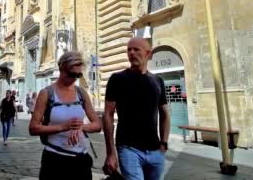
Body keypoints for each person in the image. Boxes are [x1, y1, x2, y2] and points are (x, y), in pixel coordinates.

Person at [103, 38, 170, 180]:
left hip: (155, 150)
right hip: (129, 149)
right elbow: (108, 114)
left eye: (136, 49)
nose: (131, 53)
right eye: (129, 49)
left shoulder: (157, 81)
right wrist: (110, 152)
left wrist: (164, 143)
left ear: (148, 54)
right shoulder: (117, 79)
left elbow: (164, 114)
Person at [29, 51, 101, 180]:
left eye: (78, 75)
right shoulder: (47, 93)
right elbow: (33, 128)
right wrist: (63, 127)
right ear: (61, 68)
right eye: (71, 74)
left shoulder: (81, 93)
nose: (74, 78)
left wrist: (82, 128)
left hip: (81, 161)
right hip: (55, 160)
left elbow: (97, 125)